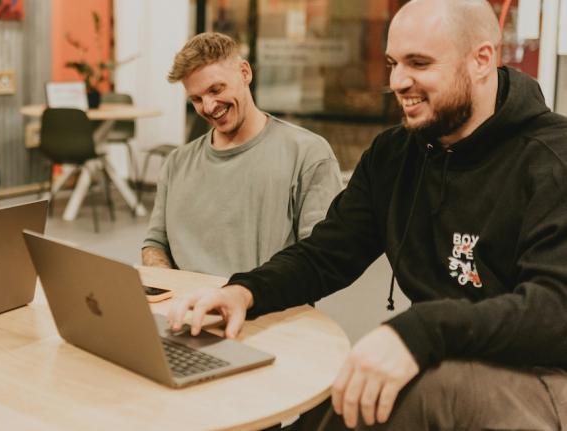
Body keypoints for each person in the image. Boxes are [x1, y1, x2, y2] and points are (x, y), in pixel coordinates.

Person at [169, 0, 567, 429]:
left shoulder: (551, 159)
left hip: (542, 373)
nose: (398, 81)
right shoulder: (393, 155)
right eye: (394, 63)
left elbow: (554, 310)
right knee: (333, 409)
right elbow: (325, 254)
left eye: (419, 63)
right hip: (442, 352)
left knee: (424, 392)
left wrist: (422, 329)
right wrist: (244, 292)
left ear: (482, 60)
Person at [142, 32, 343, 277]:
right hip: (190, 312)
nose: (208, 106)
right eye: (196, 99)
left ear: (245, 73)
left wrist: (243, 295)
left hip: (268, 311)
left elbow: (318, 258)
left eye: (216, 89)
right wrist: (165, 280)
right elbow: (155, 244)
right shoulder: (176, 163)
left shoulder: (308, 154)